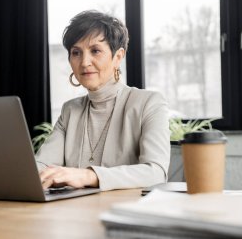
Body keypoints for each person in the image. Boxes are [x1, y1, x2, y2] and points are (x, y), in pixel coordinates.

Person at [36, 10, 170, 191]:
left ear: (118, 57)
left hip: (125, 214)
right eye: (76, 52)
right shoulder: (70, 110)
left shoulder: (149, 103)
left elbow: (156, 172)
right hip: (73, 211)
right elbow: (43, 164)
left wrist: (89, 175)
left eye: (95, 51)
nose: (84, 62)